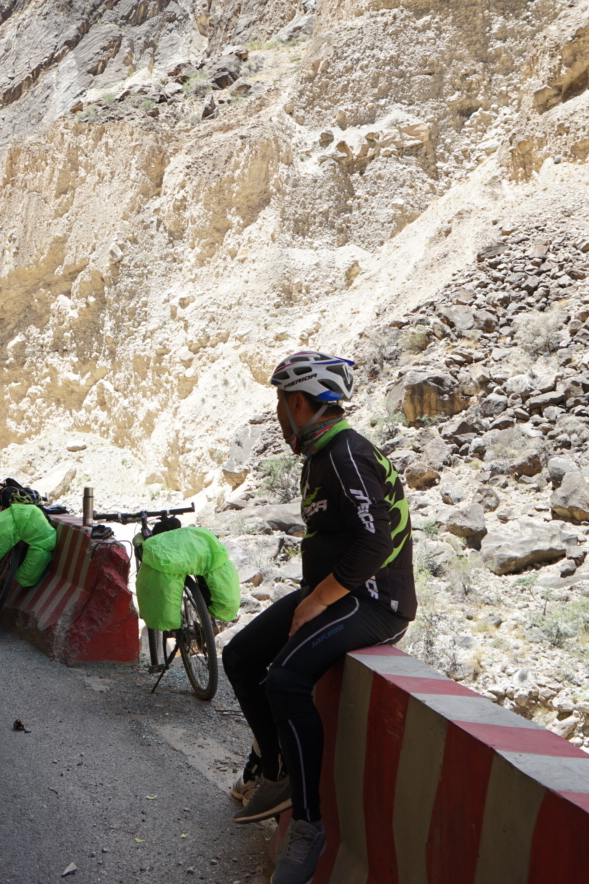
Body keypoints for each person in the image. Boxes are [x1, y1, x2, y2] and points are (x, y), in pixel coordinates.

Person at [221, 351, 415, 884]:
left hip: (374, 601)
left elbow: (376, 541)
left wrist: (317, 599)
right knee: (239, 655)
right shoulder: (321, 454)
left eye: (280, 405)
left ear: (299, 403)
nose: (279, 416)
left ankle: (309, 825)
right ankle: (278, 767)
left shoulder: (346, 452)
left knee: (285, 679)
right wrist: (315, 594)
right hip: (334, 592)